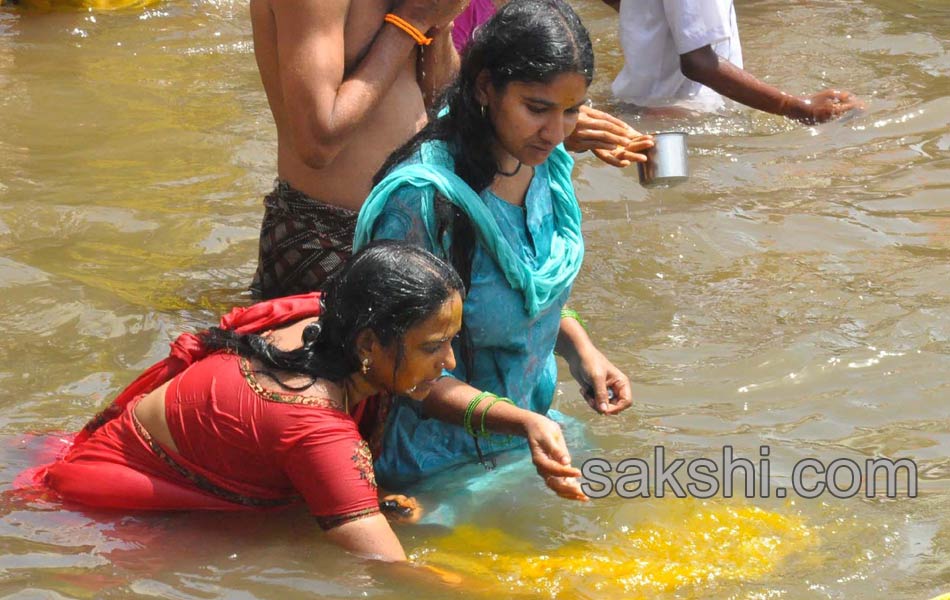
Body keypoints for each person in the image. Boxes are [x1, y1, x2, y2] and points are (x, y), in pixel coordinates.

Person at [18, 242, 580, 561]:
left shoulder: (322, 319)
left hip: (131, 461)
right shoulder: (315, 426)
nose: (451, 361)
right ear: (368, 344)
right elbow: (385, 569)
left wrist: (524, 422)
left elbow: (417, 382)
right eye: (435, 346)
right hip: (109, 515)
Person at [354, 0, 633, 497]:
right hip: (433, 471)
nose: (556, 131)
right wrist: (518, 422)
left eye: (571, 111)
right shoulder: (423, 199)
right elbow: (396, 367)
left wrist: (582, 352)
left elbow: (520, 290)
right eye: (537, 108)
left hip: (535, 432)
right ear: (484, 87)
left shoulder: (545, 164)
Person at [249, 0, 653, 300]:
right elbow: (319, 142)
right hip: (332, 242)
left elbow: (439, 98)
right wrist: (413, 20)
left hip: (428, 229)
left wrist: (544, 123)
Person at [602, 0, 863, 123]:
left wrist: (649, 19)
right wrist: (797, 107)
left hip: (640, 104)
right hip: (675, 116)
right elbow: (698, 63)